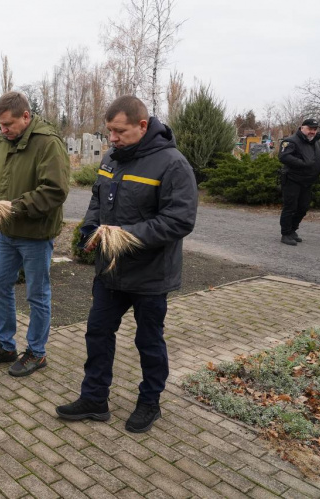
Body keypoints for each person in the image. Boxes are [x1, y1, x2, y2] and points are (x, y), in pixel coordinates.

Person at [55, 95, 198, 433]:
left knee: (149, 342)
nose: (113, 138)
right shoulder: (112, 159)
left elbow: (180, 220)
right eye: (109, 132)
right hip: (110, 271)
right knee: (98, 333)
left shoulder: (172, 164)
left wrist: (126, 235)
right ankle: (94, 399)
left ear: (143, 126)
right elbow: (97, 199)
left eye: (119, 131)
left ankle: (149, 403)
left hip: (151, 274)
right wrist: (90, 229)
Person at [0, 92, 70, 377]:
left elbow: (55, 190)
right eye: (0, 125)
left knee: (36, 294)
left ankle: (37, 353)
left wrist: (13, 208)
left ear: (26, 117)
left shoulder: (48, 143)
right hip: (8, 233)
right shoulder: (4, 141)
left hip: (36, 234)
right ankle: (6, 346)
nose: (3, 130)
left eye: (8, 124)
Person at [278, 118, 320, 246]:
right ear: (302, 128)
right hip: (292, 179)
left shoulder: (313, 142)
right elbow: (284, 156)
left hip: (307, 181)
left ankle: (293, 230)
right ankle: (286, 233)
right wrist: (303, 164)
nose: (312, 132)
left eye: (315, 129)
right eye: (310, 129)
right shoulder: (291, 141)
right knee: (290, 207)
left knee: (303, 207)